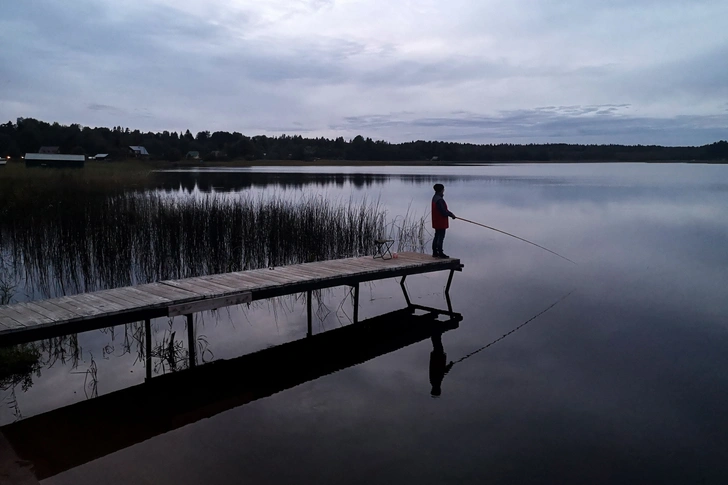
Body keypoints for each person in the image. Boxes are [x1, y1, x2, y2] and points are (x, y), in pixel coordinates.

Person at [431, 183, 456, 258]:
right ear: (441, 190)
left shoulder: (435, 197)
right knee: (440, 237)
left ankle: (435, 252)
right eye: (443, 189)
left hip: (436, 220)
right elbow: (443, 211)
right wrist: (451, 215)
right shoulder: (439, 200)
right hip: (440, 221)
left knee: (436, 236)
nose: (444, 190)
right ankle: (440, 253)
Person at [429, 331, 454, 397]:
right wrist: (450, 365)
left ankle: (435, 333)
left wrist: (450, 365)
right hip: (438, 358)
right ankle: (436, 334)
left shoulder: (435, 381)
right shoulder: (435, 382)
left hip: (437, 358)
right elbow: (443, 371)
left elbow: (442, 371)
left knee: (437, 345)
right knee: (438, 345)